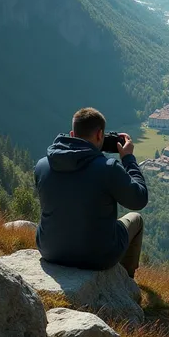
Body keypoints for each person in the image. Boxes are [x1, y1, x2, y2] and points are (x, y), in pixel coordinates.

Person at [34, 107, 148, 277]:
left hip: (50, 250)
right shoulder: (108, 169)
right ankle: (126, 280)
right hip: (98, 257)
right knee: (136, 220)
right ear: (100, 135)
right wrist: (128, 160)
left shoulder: (42, 165)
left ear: (72, 134)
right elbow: (139, 199)